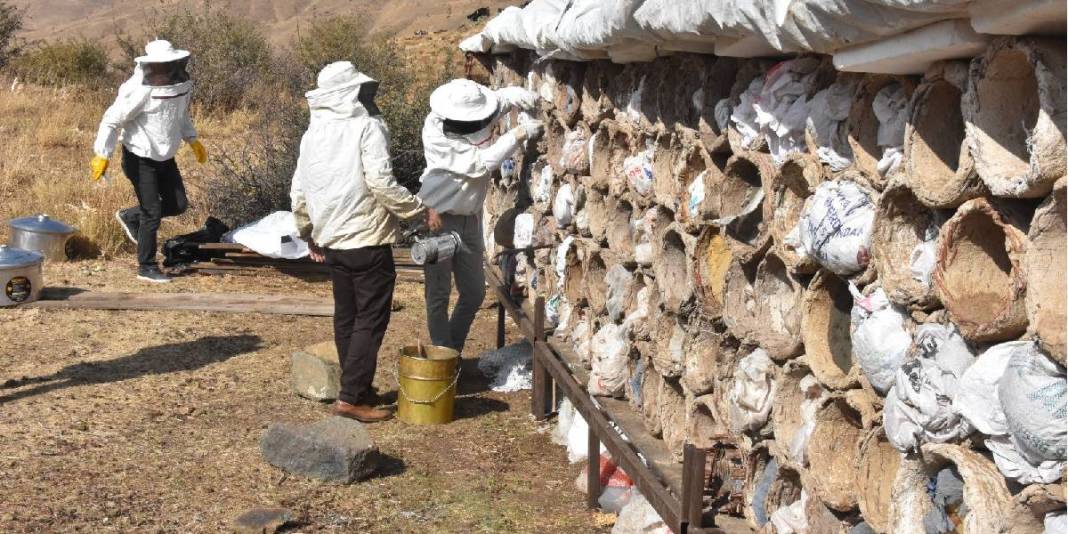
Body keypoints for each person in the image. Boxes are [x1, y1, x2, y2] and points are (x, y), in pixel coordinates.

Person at [291, 61, 442, 423]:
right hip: (366, 240)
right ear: (351, 94)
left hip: (334, 241)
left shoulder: (312, 133)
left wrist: (307, 230)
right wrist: (420, 210)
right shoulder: (367, 127)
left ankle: (356, 386)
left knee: (347, 316)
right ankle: (350, 398)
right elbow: (380, 182)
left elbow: (300, 189)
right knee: (369, 319)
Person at [418, 79, 543, 353]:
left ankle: (450, 351)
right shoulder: (436, 133)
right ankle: (445, 355)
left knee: (474, 292)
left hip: (469, 220)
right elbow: (481, 164)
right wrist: (518, 134)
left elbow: (497, 102)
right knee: (438, 295)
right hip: (438, 219)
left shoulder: (471, 117)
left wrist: (518, 95)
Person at [90, 39, 207, 283]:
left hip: (166, 156)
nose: (166, 70)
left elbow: (180, 115)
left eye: (170, 64)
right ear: (151, 66)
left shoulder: (180, 86)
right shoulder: (138, 90)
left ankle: (131, 216)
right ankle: (146, 266)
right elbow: (111, 120)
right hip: (139, 157)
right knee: (152, 212)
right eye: (161, 65)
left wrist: (192, 139)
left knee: (178, 204)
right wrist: (103, 154)